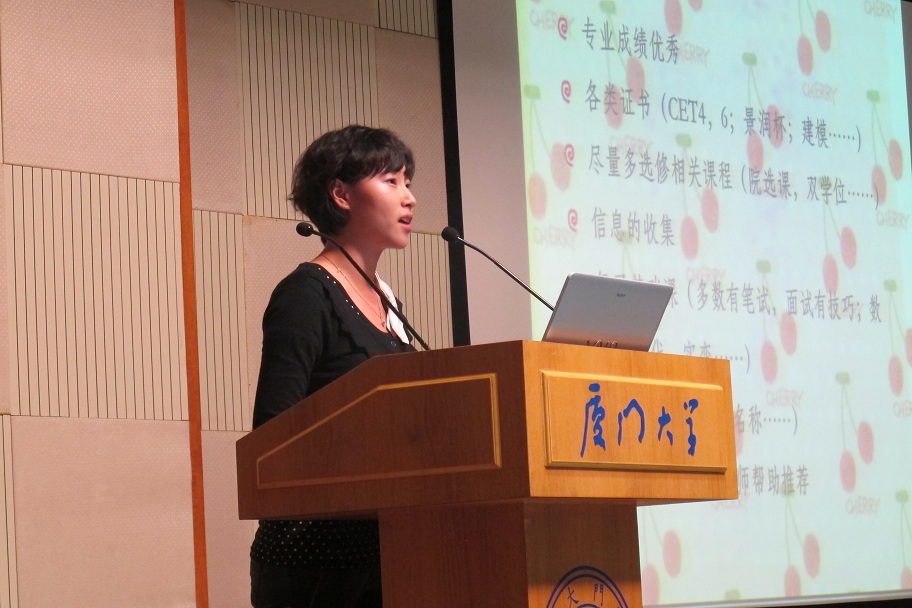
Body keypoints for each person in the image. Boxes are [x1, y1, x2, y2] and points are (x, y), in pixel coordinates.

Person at [249, 125, 418, 608]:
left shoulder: (389, 302)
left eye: (408, 182)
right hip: (314, 560)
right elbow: (273, 437)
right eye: (391, 181)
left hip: (385, 550)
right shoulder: (306, 295)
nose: (409, 198)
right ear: (341, 194)